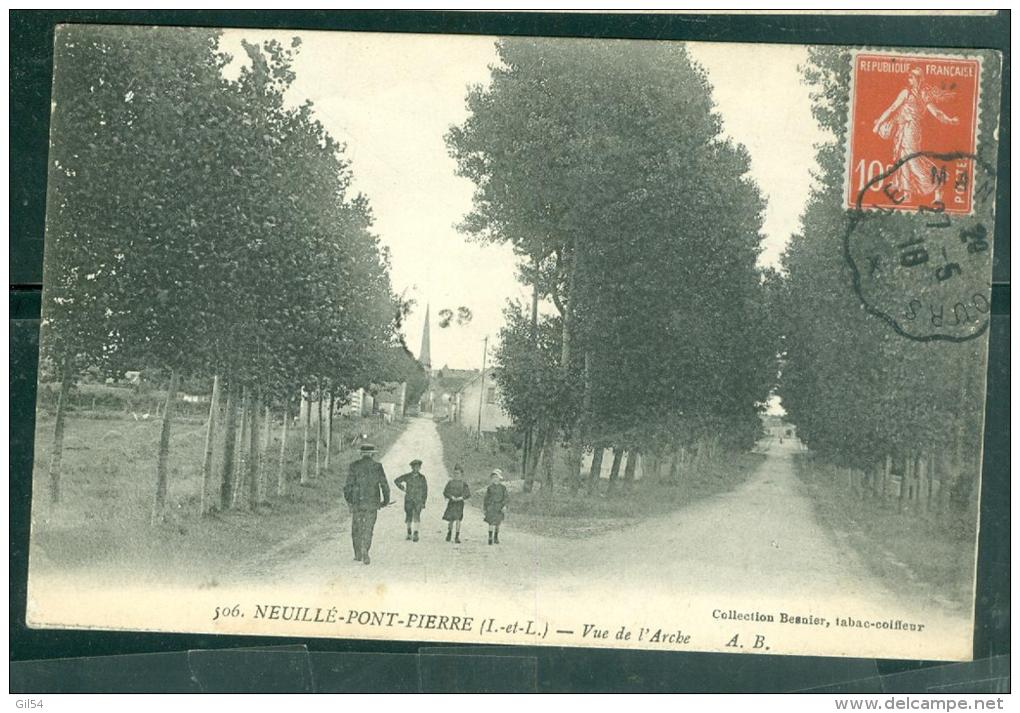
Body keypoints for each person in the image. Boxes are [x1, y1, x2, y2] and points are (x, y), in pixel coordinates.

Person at [872, 67, 960, 204]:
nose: (909, 80)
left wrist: (949, 120)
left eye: (911, 77)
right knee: (904, 159)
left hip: (911, 130)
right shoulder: (912, 93)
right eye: (909, 77)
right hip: (905, 129)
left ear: (918, 79)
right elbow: (892, 108)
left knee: (913, 160)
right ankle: (907, 194)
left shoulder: (916, 94)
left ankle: (937, 182)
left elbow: (936, 112)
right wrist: (879, 123)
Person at [343, 443, 390, 565]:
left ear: (361, 454)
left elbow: (347, 486)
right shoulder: (377, 466)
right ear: (372, 454)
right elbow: (384, 485)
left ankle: (358, 553)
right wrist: (385, 501)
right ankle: (365, 549)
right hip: (372, 503)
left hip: (357, 503)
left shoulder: (354, 466)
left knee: (356, 528)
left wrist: (349, 501)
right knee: (369, 528)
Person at [394, 459, 428, 542]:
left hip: (418, 500)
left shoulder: (422, 478)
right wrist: (402, 488)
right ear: (411, 468)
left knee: (417, 515)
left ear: (420, 468)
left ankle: (416, 533)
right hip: (409, 499)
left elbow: (425, 490)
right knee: (409, 515)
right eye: (414, 467)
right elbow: (396, 480)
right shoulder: (407, 476)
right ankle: (409, 532)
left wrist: (424, 501)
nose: (416, 469)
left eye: (418, 467)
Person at [442, 464, 471, 543]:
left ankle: (457, 536)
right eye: (455, 473)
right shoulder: (450, 483)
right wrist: (451, 497)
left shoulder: (463, 484)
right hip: (452, 503)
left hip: (459, 504)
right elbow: (445, 492)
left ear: (461, 474)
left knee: (458, 519)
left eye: (458, 473)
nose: (456, 475)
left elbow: (468, 493)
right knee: (451, 519)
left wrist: (461, 497)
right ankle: (449, 533)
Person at [483, 468, 509, 545]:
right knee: (490, 522)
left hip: (499, 506)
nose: (495, 479)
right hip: (491, 506)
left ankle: (496, 536)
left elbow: (506, 497)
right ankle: (490, 537)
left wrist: (504, 505)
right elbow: (486, 498)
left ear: (500, 478)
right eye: (493, 478)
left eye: (496, 477)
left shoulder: (503, 488)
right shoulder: (490, 488)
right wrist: (485, 507)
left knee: (497, 522)